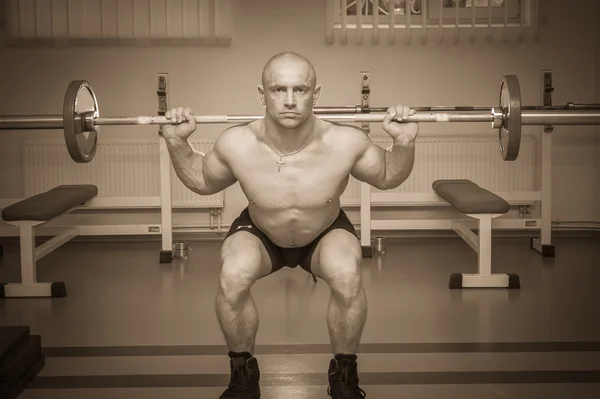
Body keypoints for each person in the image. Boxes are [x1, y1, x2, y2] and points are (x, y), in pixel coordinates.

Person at [161, 52, 419, 399]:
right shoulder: (237, 143)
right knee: (232, 275)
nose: (289, 100)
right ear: (261, 94)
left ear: (316, 94)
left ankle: (344, 377)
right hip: (262, 231)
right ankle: (243, 376)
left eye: (300, 89)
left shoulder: (345, 142)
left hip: (323, 231)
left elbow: (387, 175)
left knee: (347, 274)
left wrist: (403, 143)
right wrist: (177, 143)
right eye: (278, 89)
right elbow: (202, 181)